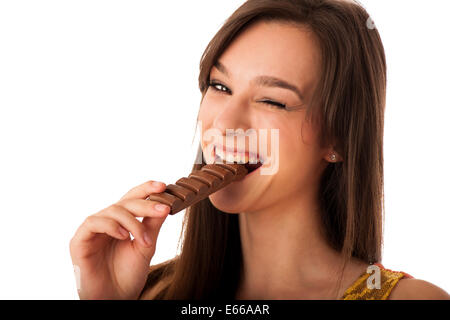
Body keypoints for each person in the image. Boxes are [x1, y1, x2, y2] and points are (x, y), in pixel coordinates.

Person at [69, 0, 450, 300]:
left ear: (338, 138)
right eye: (219, 87)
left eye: (272, 101)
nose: (224, 123)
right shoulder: (150, 290)